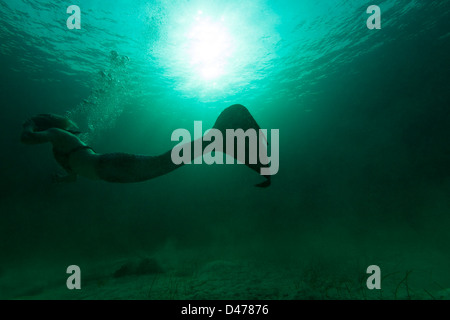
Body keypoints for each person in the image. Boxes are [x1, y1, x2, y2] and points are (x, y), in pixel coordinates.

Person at [20, 104, 271, 187]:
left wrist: (30, 123)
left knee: (160, 162)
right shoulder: (60, 146)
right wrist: (60, 178)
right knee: (160, 164)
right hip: (107, 171)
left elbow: (27, 139)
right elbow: (74, 176)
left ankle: (217, 136)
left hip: (108, 164)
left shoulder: (55, 133)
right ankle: (215, 140)